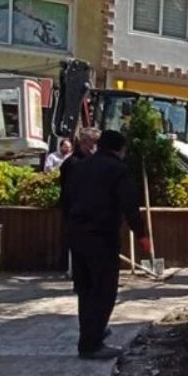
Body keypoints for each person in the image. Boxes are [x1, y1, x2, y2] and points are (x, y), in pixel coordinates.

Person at [61, 129, 149, 359]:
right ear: (120, 148)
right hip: (102, 236)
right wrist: (142, 235)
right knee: (103, 290)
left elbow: (66, 200)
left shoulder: (77, 166)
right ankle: (91, 344)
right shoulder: (118, 169)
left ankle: (92, 331)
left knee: (85, 289)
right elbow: (130, 206)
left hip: (76, 235)